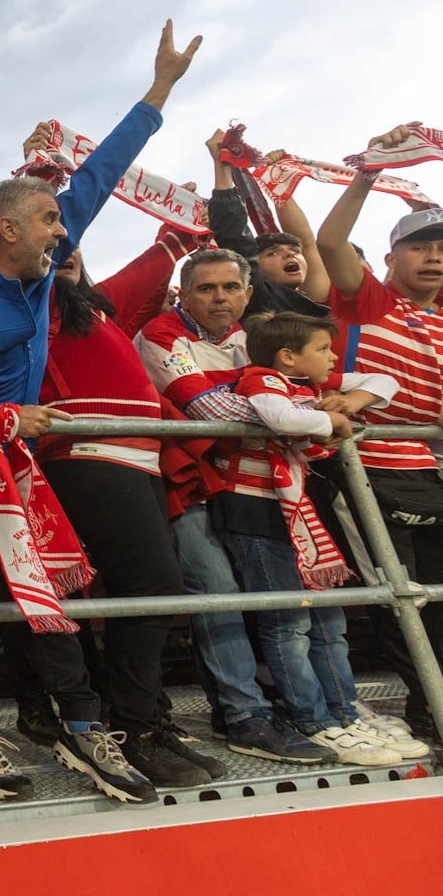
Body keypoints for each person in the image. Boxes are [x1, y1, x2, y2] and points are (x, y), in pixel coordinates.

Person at [0, 20, 199, 805]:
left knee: (49, 594)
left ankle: (78, 723)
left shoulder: (38, 274)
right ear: (8, 230)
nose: (63, 233)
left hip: (18, 467)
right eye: (49, 222)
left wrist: (159, 91)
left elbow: (100, 175)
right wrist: (2, 414)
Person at [34, 226, 226, 787]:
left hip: (139, 458)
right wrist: (50, 182)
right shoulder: (29, 305)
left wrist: (174, 238)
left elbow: (142, 277)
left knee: (140, 593)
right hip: (86, 452)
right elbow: (141, 277)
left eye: (69, 245)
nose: (62, 252)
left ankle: (142, 718)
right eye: (48, 245)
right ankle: (135, 729)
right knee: (154, 587)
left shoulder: (96, 309)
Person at [135, 249, 336, 765]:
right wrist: (301, 410)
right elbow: (212, 410)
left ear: (248, 293)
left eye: (230, 287)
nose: (220, 297)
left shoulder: (259, 336)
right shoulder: (161, 334)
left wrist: (314, 407)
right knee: (218, 595)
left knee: (281, 604)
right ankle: (245, 716)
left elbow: (332, 385)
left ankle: (287, 710)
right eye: (206, 288)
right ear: (184, 293)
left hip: (257, 487)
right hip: (190, 484)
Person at [208, 312, 422, 764]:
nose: (331, 358)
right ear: (289, 357)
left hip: (296, 512)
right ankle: (313, 719)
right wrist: (331, 422)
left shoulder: (304, 385)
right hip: (256, 511)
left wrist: (348, 402)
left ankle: (344, 713)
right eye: (323, 349)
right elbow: (281, 418)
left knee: (328, 620)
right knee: (289, 623)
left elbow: (384, 381)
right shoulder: (262, 378)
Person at [317, 126, 443, 738]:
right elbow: (330, 240)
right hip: (370, 465)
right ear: (389, 259)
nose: (434, 256)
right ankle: (429, 712)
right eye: (419, 246)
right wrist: (366, 172)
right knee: (403, 598)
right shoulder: (366, 302)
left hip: (432, 469)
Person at [205, 130, 331, 318]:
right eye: (272, 253)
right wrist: (222, 166)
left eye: (295, 251)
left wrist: (278, 182)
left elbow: (306, 241)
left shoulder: (315, 304)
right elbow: (235, 238)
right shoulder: (259, 301)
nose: (289, 253)